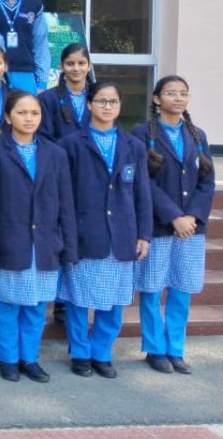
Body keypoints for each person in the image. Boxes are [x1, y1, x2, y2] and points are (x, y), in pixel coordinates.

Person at [58, 81, 152, 378]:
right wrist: (67, 235)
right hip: (86, 233)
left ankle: (102, 352)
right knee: (78, 299)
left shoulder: (133, 146)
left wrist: (144, 234)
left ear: (120, 106)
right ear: (89, 104)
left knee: (114, 300)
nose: (107, 106)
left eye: (113, 101)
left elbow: (142, 193)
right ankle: (80, 352)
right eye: (101, 101)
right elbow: (64, 196)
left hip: (122, 234)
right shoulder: (71, 144)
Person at [0, 90, 77, 383]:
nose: (29, 118)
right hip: (8, 241)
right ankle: (8, 359)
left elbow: (66, 203)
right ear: (8, 116)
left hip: (46, 242)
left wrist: (69, 247)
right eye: (21, 112)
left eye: (34, 113)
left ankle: (30, 359)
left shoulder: (55, 153)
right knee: (6, 305)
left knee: (37, 306)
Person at [133, 75, 213, 375]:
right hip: (158, 226)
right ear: (157, 99)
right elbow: (143, 182)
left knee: (181, 290)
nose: (178, 98)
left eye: (183, 93)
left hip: (191, 229)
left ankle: (175, 349)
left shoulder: (198, 135)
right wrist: (173, 216)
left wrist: (192, 217)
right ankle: (154, 349)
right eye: (171, 93)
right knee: (152, 289)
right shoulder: (141, 134)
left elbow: (207, 181)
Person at [39, 43, 93, 142]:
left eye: (81, 63)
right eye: (70, 64)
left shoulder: (98, 97)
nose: (76, 68)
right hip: (58, 151)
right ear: (61, 66)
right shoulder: (47, 98)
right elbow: (44, 136)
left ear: (89, 65)